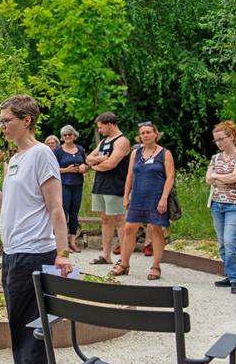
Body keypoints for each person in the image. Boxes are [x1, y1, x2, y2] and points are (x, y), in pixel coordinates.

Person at [0, 95, 70, 364]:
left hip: (33, 254)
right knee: (23, 329)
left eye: (7, 121)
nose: (2, 126)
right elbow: (10, 204)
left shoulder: (42, 154)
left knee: (30, 332)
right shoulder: (15, 158)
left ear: (26, 120)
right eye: (1, 121)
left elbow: (56, 209)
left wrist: (63, 252)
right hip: (13, 253)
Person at [115, 122, 175, 280]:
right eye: (142, 133)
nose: (145, 135)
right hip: (138, 196)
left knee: (156, 229)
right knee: (129, 228)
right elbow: (130, 176)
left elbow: (170, 178)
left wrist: (164, 198)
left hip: (156, 197)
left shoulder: (165, 153)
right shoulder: (136, 153)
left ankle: (156, 266)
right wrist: (126, 195)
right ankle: (124, 263)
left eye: (148, 132)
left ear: (156, 134)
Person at [206, 120, 236, 295]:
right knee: (223, 243)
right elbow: (208, 179)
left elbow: (234, 177)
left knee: (231, 241)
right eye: (216, 140)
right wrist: (219, 177)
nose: (218, 143)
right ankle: (231, 275)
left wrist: (217, 176)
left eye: (221, 139)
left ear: (231, 137)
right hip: (217, 204)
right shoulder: (215, 158)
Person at [86, 112, 130, 266]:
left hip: (115, 186)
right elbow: (88, 158)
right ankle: (106, 256)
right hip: (100, 185)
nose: (99, 130)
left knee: (119, 220)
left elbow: (111, 164)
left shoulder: (122, 141)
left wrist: (94, 166)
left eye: (101, 127)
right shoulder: (104, 141)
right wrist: (98, 160)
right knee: (105, 220)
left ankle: (124, 258)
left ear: (109, 124)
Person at [54, 125, 88, 253]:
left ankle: (73, 241)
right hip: (63, 185)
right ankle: (63, 243)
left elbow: (86, 163)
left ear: (74, 135)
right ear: (62, 137)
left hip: (78, 184)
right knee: (63, 213)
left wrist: (84, 167)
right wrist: (67, 170)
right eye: (65, 135)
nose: (67, 137)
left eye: (69, 134)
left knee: (74, 214)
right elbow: (51, 168)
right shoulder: (58, 151)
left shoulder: (80, 149)